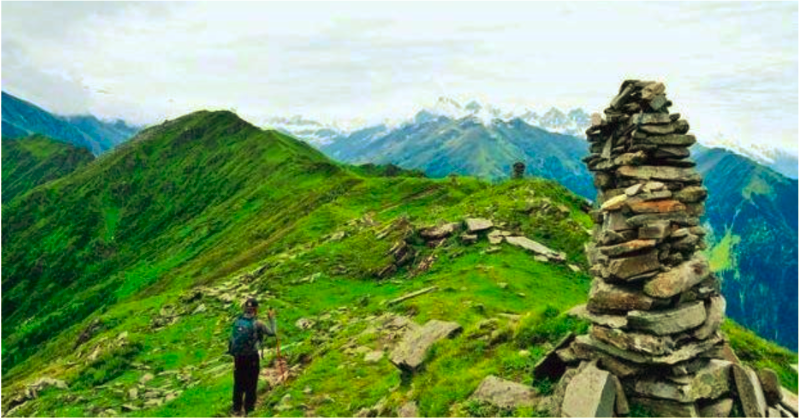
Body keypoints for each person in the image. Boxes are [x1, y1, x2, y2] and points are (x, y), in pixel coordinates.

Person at [228, 297, 276, 417]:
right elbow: (272, 333)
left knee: (238, 382)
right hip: (251, 357)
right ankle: (249, 410)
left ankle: (236, 409)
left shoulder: (237, 321)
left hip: (238, 357)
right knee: (251, 383)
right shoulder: (258, 323)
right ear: (256, 309)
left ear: (245, 308)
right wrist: (272, 319)